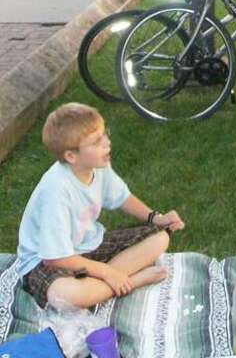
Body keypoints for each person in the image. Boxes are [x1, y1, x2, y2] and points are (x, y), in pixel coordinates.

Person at [16, 102, 184, 309]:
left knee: (160, 238)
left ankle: (100, 286)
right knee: (65, 296)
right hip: (46, 261)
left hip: (88, 245)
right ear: (71, 156)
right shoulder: (57, 189)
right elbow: (55, 258)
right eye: (96, 141)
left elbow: (122, 198)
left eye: (104, 134)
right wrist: (107, 272)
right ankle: (130, 281)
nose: (107, 143)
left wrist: (157, 218)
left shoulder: (98, 166)